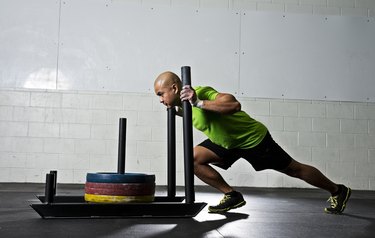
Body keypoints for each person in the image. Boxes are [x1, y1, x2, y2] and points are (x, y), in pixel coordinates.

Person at [154, 71, 351, 214]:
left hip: (252, 140)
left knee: (294, 169)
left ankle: (338, 190)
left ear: (174, 88)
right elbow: (200, 119)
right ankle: (232, 196)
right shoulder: (182, 107)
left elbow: (233, 104)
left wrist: (199, 102)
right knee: (193, 158)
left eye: (161, 94)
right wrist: (180, 111)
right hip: (226, 143)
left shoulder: (200, 93)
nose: (160, 100)